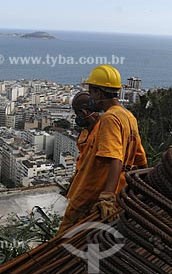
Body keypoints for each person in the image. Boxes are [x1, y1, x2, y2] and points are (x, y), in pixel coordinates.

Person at [58, 65, 147, 234]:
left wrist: (107, 196)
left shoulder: (109, 118)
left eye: (91, 93)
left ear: (98, 93)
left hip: (92, 192)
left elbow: (115, 158)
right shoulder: (129, 117)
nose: (91, 98)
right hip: (120, 190)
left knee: (65, 238)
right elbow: (140, 158)